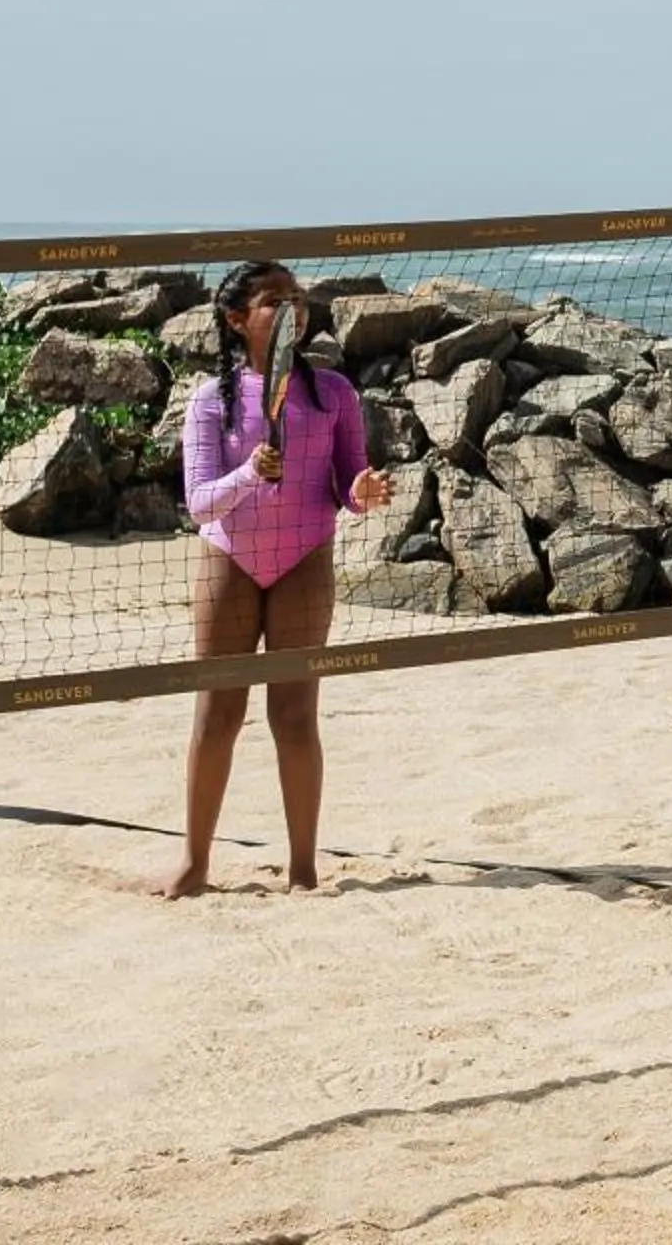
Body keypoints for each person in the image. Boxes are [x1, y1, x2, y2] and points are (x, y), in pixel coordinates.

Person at [157, 261, 390, 897]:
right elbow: (201, 503)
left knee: (295, 715)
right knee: (216, 715)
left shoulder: (335, 393)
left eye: (296, 297)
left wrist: (365, 492)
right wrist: (250, 475)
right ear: (238, 321)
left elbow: (346, 485)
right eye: (273, 301)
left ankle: (304, 869)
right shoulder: (211, 399)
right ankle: (195, 863)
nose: (292, 307)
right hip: (229, 560)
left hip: (304, 559)